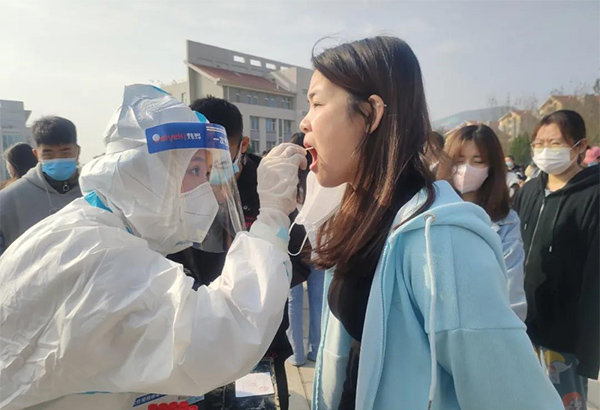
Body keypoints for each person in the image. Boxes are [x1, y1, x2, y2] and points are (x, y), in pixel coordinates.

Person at [0, 85, 307, 410]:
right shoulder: (101, 255)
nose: (209, 189)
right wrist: (273, 215)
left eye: (207, 173)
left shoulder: (91, 228)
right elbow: (221, 335)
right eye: (195, 171)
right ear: (145, 172)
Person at [298, 36, 561, 410]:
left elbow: (514, 397)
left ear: (370, 114)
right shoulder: (361, 211)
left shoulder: (439, 239)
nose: (304, 121)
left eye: (317, 103)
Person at [167, 96, 307, 410]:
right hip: (198, 336)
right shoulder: (180, 185)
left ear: (242, 144)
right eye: (198, 161)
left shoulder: (271, 185)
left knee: (258, 402)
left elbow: (301, 254)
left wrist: (263, 279)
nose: (209, 169)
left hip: (260, 343)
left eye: (220, 158)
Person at [513, 110, 599, 408]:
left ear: (580, 146)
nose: (545, 151)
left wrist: (588, 345)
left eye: (555, 143)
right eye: (539, 144)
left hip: (564, 335)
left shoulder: (593, 195)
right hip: (522, 326)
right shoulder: (529, 191)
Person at [438, 124, 527, 321]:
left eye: (477, 161)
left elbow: (511, 285)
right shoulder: (431, 211)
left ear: (491, 167)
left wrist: (509, 330)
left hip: (485, 323)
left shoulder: (506, 221)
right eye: (459, 160)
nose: (466, 169)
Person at [0, 116, 82, 255]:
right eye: (48, 154)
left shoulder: (96, 191)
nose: (57, 159)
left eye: (65, 152)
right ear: (36, 154)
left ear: (78, 151)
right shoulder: (9, 199)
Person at [287, 132, 325, 367]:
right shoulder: (320, 176)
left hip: (292, 246)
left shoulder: (287, 178)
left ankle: (296, 353)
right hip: (318, 245)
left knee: (294, 299)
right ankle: (317, 350)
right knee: (317, 299)